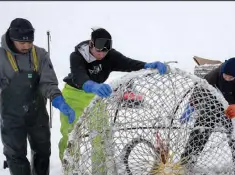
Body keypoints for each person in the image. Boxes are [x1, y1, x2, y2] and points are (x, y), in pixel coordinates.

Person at [0, 18, 76, 175]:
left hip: (37, 110)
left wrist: (58, 99)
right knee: (16, 151)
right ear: (11, 38)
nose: (27, 45)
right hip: (12, 113)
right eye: (22, 42)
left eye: (29, 41)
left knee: (42, 146)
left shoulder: (40, 54)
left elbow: (47, 82)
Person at [58, 27, 168, 161]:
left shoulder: (110, 56)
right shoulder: (77, 56)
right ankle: (68, 174)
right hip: (73, 94)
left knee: (101, 135)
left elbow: (128, 63)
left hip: (95, 96)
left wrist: (147, 65)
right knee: (70, 135)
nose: (101, 54)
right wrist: (91, 85)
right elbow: (78, 75)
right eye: (98, 50)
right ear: (91, 44)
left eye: (105, 51)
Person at [179, 57, 235, 175]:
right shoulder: (214, 74)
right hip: (212, 105)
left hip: (230, 109)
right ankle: (187, 162)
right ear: (222, 71)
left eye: (231, 78)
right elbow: (200, 89)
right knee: (200, 130)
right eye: (226, 76)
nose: (228, 79)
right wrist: (191, 106)